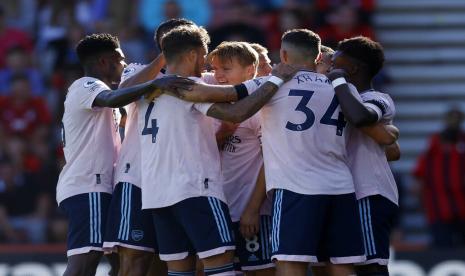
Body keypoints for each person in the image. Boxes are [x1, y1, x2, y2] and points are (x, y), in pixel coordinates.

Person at [168, 28, 365, 276]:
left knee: (290, 263)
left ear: (283, 55)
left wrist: (165, 84)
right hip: (341, 186)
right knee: (342, 265)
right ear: (317, 57)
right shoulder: (343, 89)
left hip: (295, 188)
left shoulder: (272, 85)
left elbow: (218, 96)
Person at [139, 25, 296, 276]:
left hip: (157, 194)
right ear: (192, 54)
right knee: (219, 264)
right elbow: (236, 113)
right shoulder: (189, 86)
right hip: (194, 189)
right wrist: (275, 79)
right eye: (204, 55)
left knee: (180, 269)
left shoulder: (147, 91)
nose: (206, 64)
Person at [56, 33, 192, 276]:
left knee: (117, 264)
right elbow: (110, 98)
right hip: (89, 186)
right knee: (84, 264)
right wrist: (154, 83)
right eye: (120, 59)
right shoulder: (86, 85)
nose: (125, 64)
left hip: (101, 186)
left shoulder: (97, 93)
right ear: (105, 62)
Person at [102, 18, 196, 276]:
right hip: (138, 176)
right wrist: (163, 64)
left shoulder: (200, 78)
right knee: (134, 260)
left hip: (179, 181)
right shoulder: (136, 71)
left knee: (169, 262)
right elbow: (122, 91)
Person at [326, 36, 400, 276]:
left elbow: (360, 117)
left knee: (371, 266)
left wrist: (338, 80)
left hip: (370, 191)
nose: (331, 64)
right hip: (346, 191)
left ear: (352, 68)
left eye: (336, 60)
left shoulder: (376, 98)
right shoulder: (335, 97)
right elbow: (391, 146)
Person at [209, 41, 274, 275]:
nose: (218, 75)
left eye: (226, 69)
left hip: (250, 211)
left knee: (261, 271)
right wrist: (224, 132)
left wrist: (253, 208)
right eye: (215, 69)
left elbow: (271, 160)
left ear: (249, 70)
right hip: (217, 208)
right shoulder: (210, 103)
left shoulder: (260, 109)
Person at [414, 108, 465, 248]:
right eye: (451, 119)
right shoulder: (434, 143)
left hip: (462, 206)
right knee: (442, 247)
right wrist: (420, 196)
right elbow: (420, 172)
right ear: (445, 121)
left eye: (457, 119)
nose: (454, 123)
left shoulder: (463, 141)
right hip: (439, 207)